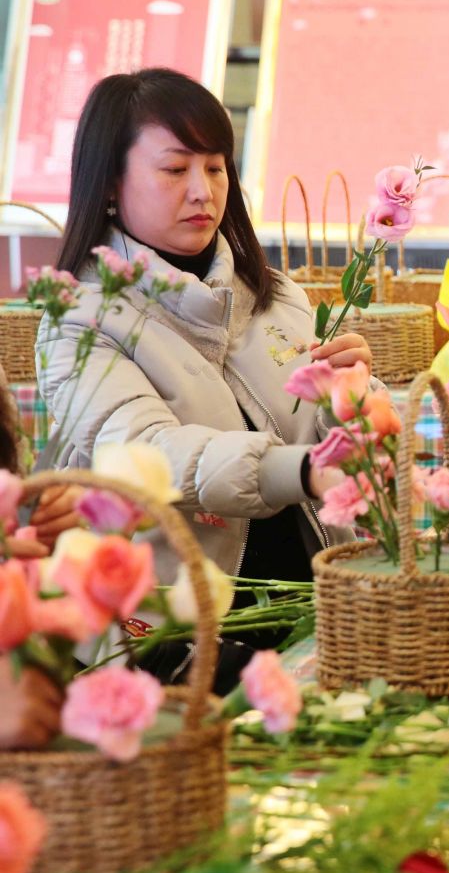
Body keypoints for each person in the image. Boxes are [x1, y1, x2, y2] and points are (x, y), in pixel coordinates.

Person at [35, 67, 372, 690]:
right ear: (110, 183)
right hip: (171, 637)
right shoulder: (78, 322)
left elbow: (322, 441)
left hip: (316, 607)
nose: (203, 190)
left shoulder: (275, 296)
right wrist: (301, 469)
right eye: (175, 168)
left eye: (216, 167)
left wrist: (353, 403)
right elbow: (150, 455)